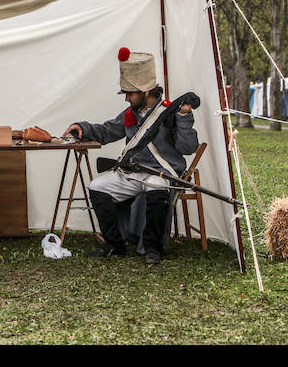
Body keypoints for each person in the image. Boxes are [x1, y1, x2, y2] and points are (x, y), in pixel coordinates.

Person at [64, 47, 198, 265]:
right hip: (134, 172)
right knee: (98, 186)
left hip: (162, 174)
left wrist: (184, 117)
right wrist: (83, 127)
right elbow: (108, 131)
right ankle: (115, 245)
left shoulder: (169, 112)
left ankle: (153, 249)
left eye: (130, 93)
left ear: (145, 91)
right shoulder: (130, 114)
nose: (126, 98)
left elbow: (188, 147)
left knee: (156, 186)